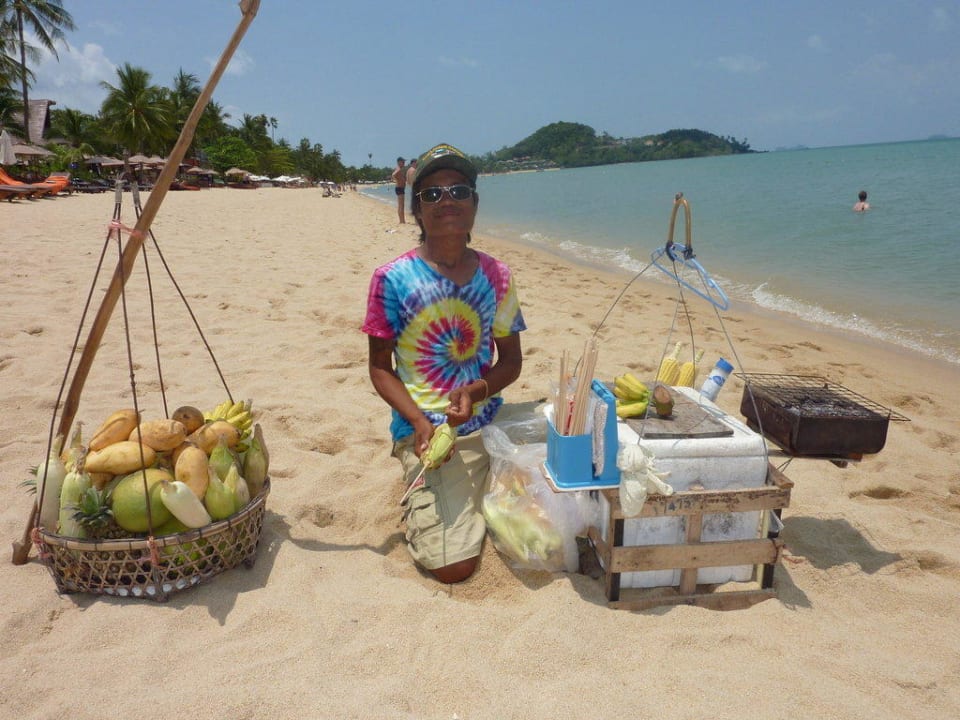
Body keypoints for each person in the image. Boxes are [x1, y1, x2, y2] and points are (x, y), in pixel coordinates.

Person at [363, 143, 526, 583]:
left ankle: (472, 489)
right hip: (429, 430)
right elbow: (380, 368)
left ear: (475, 203)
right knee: (453, 568)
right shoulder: (391, 278)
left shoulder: (498, 275)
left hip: (489, 417)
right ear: (417, 210)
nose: (446, 201)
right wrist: (417, 421)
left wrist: (476, 391)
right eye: (431, 194)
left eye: (458, 190)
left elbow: (510, 362)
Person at [391, 157, 406, 223]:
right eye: (403, 162)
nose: (404, 163)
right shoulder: (398, 169)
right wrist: (395, 179)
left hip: (400, 188)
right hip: (400, 188)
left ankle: (402, 220)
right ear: (399, 162)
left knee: (401, 205)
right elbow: (393, 174)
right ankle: (402, 221)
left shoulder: (399, 169)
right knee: (401, 205)